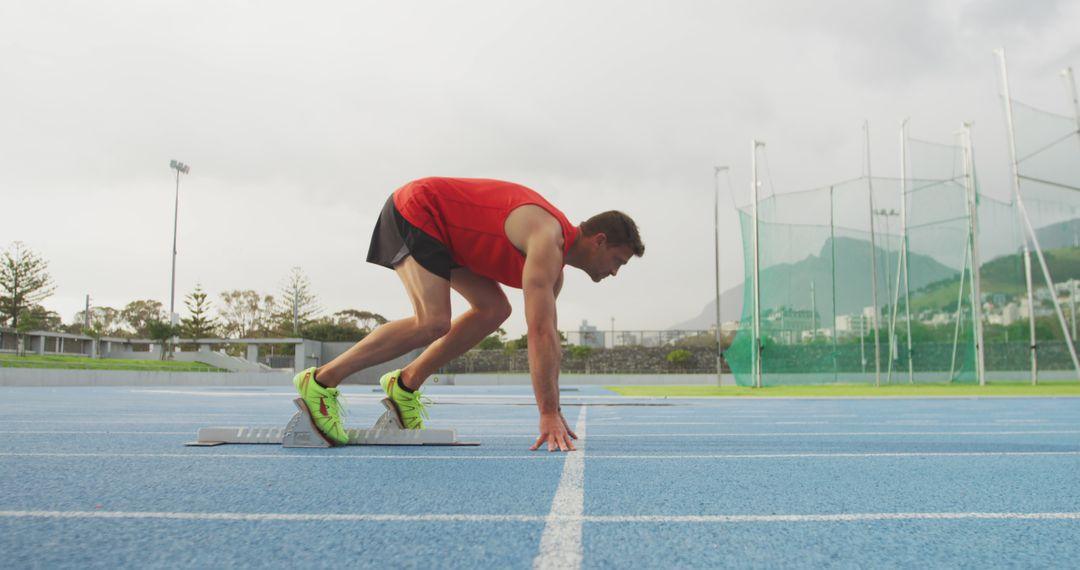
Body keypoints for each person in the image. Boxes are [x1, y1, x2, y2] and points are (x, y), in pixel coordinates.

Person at [292, 177, 644, 451]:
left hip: (450, 236)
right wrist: (548, 413)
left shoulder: (555, 268)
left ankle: (405, 384)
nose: (614, 272)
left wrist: (553, 408)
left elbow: (548, 337)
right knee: (432, 321)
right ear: (599, 240)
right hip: (419, 207)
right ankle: (320, 381)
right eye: (617, 261)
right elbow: (538, 334)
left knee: (493, 310)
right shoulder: (547, 238)